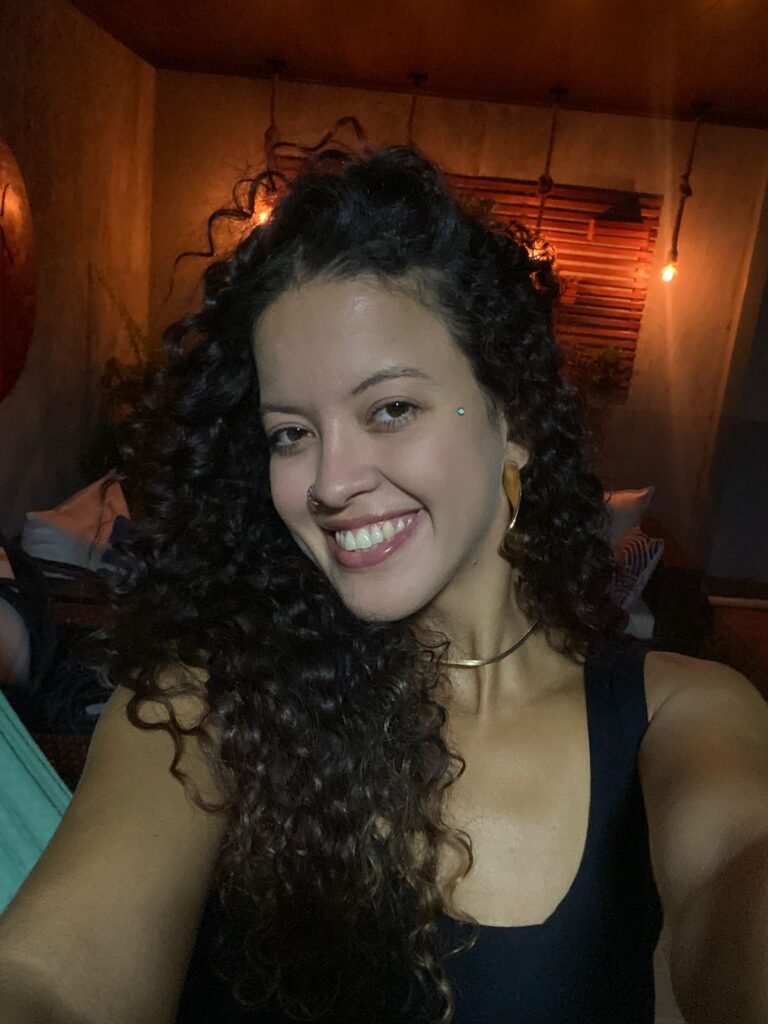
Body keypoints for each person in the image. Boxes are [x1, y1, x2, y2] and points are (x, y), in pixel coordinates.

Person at [1, 146, 767, 1024]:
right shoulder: (204, 703)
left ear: (512, 421)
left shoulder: (678, 714)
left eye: (391, 409)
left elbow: (737, 872)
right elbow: (55, 979)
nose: (330, 482)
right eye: (291, 434)